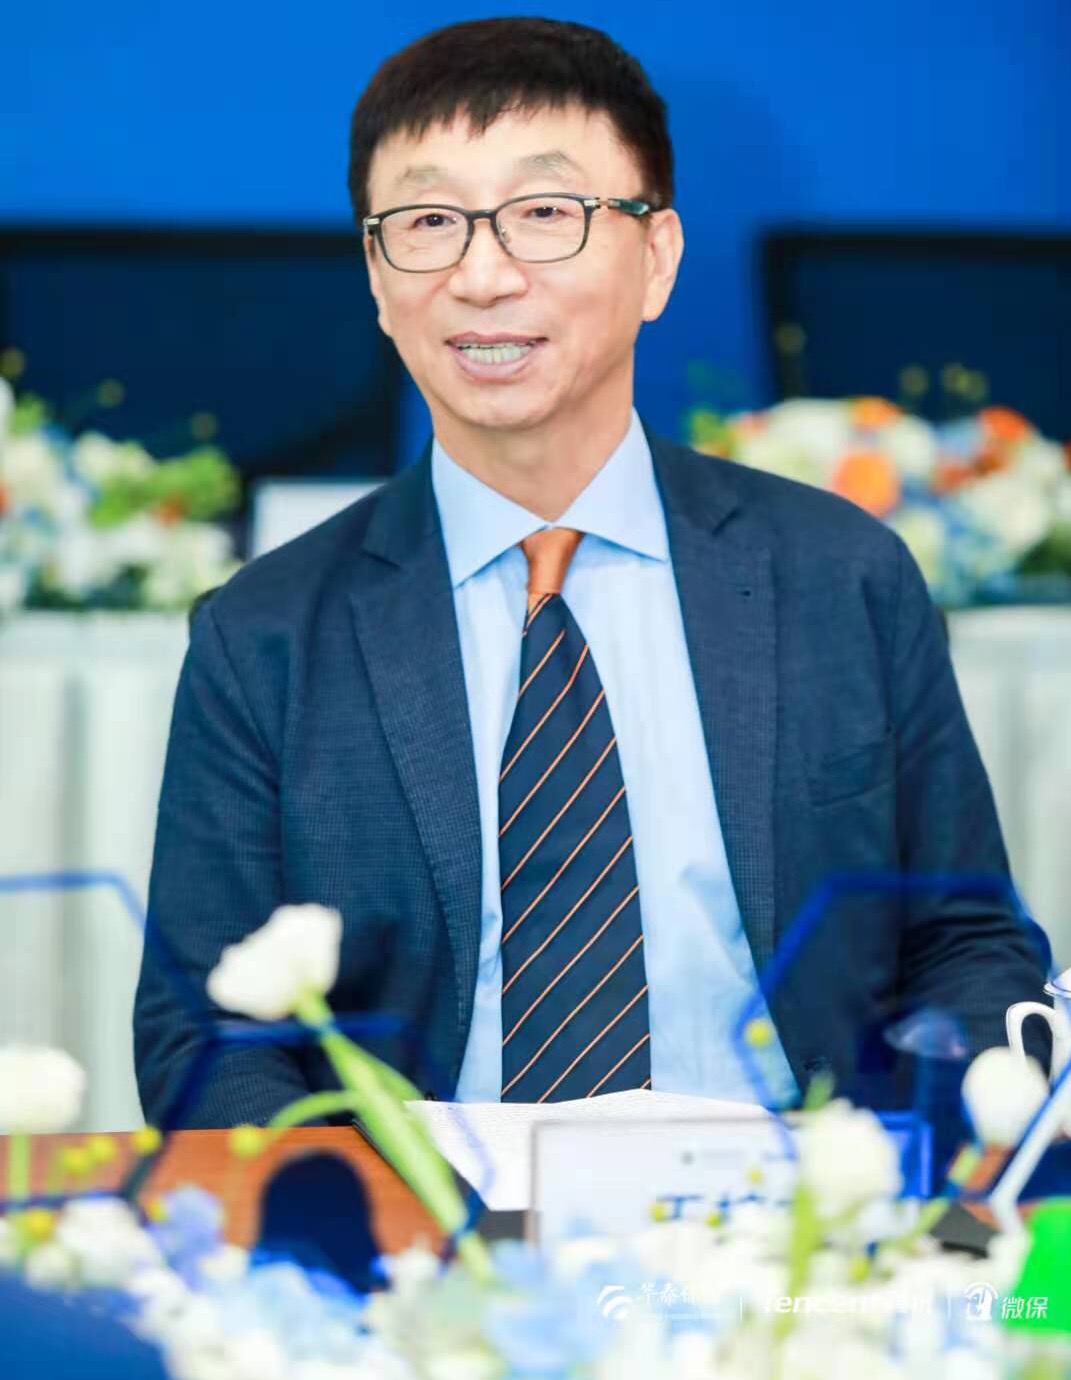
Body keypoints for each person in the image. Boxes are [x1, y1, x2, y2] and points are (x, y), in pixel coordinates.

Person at [134, 17, 1049, 1129]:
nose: (481, 275)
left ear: (656, 258)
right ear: (376, 277)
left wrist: (892, 1180)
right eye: (427, 222)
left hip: (797, 1206)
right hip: (425, 1220)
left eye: (544, 213)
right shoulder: (265, 633)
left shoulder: (840, 577)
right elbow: (203, 1036)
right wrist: (377, 1216)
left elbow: (965, 941)